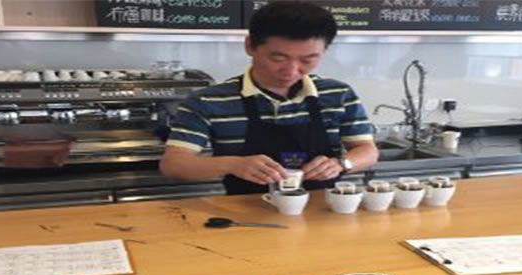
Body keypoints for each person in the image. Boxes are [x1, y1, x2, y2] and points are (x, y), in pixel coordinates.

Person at [160, 1, 378, 195]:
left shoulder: (338, 94)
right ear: (250, 46)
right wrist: (234, 164)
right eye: (278, 58)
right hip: (245, 215)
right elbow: (173, 165)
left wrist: (341, 164)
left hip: (323, 211)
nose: (291, 71)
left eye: (307, 60)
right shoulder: (208, 101)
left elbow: (367, 150)